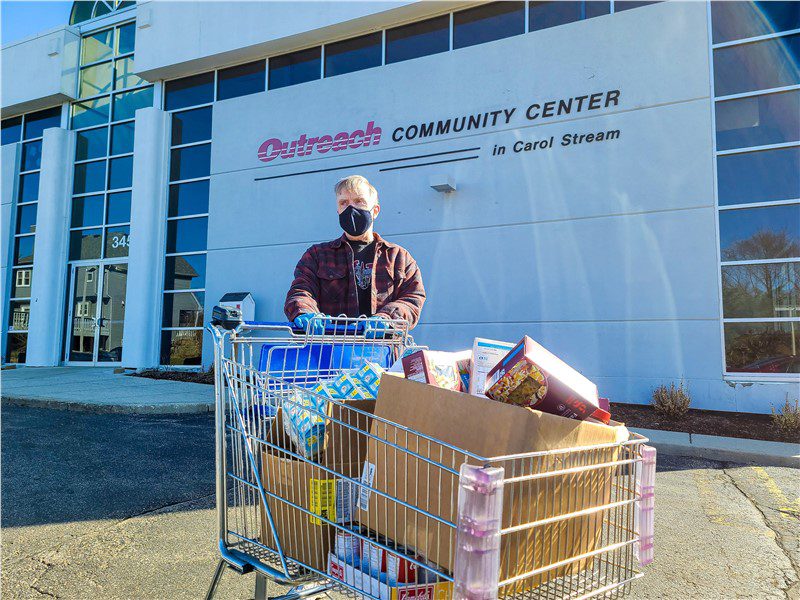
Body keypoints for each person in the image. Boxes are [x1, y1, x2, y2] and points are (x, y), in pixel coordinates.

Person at [284, 175, 425, 335]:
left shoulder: (398, 257)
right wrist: (304, 311)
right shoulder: (317, 255)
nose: (351, 209)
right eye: (344, 203)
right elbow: (301, 290)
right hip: (329, 346)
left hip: (382, 346)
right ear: (338, 210)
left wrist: (387, 318)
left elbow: (412, 298)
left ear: (375, 211)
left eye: (359, 201)